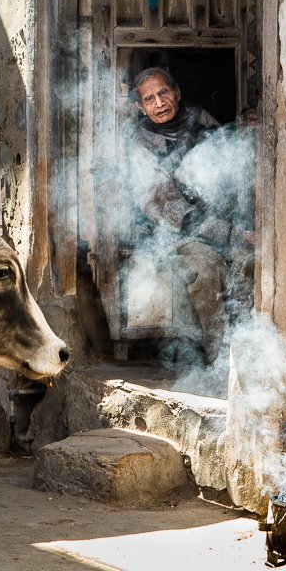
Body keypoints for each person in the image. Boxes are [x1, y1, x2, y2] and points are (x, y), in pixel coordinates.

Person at [124, 67, 234, 365]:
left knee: (250, 265)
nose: (159, 103)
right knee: (208, 267)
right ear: (140, 107)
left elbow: (232, 169)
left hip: (220, 224)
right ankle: (220, 359)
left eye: (163, 93)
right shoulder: (139, 142)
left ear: (177, 92)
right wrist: (230, 234)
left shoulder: (200, 119)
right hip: (171, 236)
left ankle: (250, 353)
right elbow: (169, 209)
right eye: (149, 99)